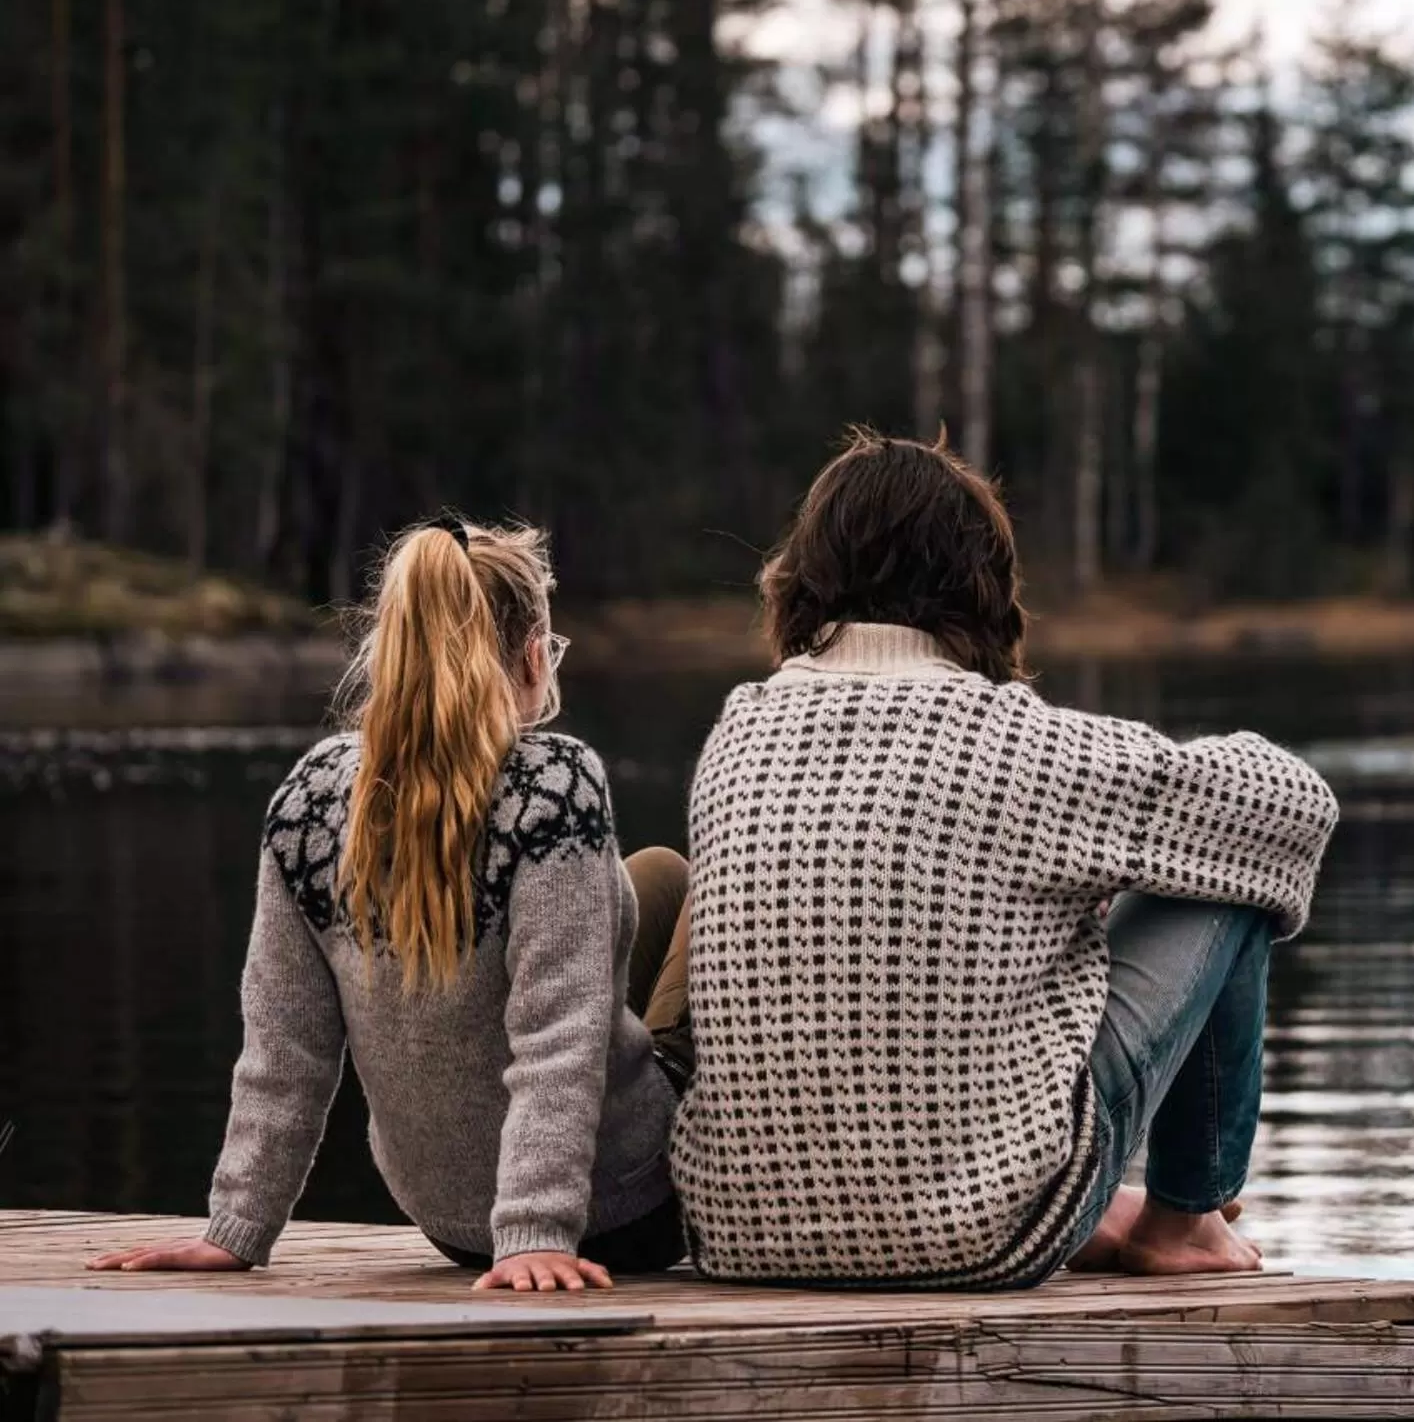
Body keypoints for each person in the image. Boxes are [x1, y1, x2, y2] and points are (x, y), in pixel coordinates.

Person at [668, 430, 1340, 1286]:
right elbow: (1293, 806)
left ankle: (1097, 1209)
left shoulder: (739, 728)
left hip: (737, 1236)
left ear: (804, 571)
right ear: (977, 578)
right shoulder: (1010, 741)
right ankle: (1185, 1220)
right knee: (1227, 869)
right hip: (979, 1237)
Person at [89, 517, 688, 1292]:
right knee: (695, 892)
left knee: (653, 874)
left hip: (446, 1217)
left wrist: (237, 1226)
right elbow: (559, 1036)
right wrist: (534, 1233)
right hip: (618, 1212)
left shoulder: (309, 800)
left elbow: (286, 1046)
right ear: (532, 654)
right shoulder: (553, 786)